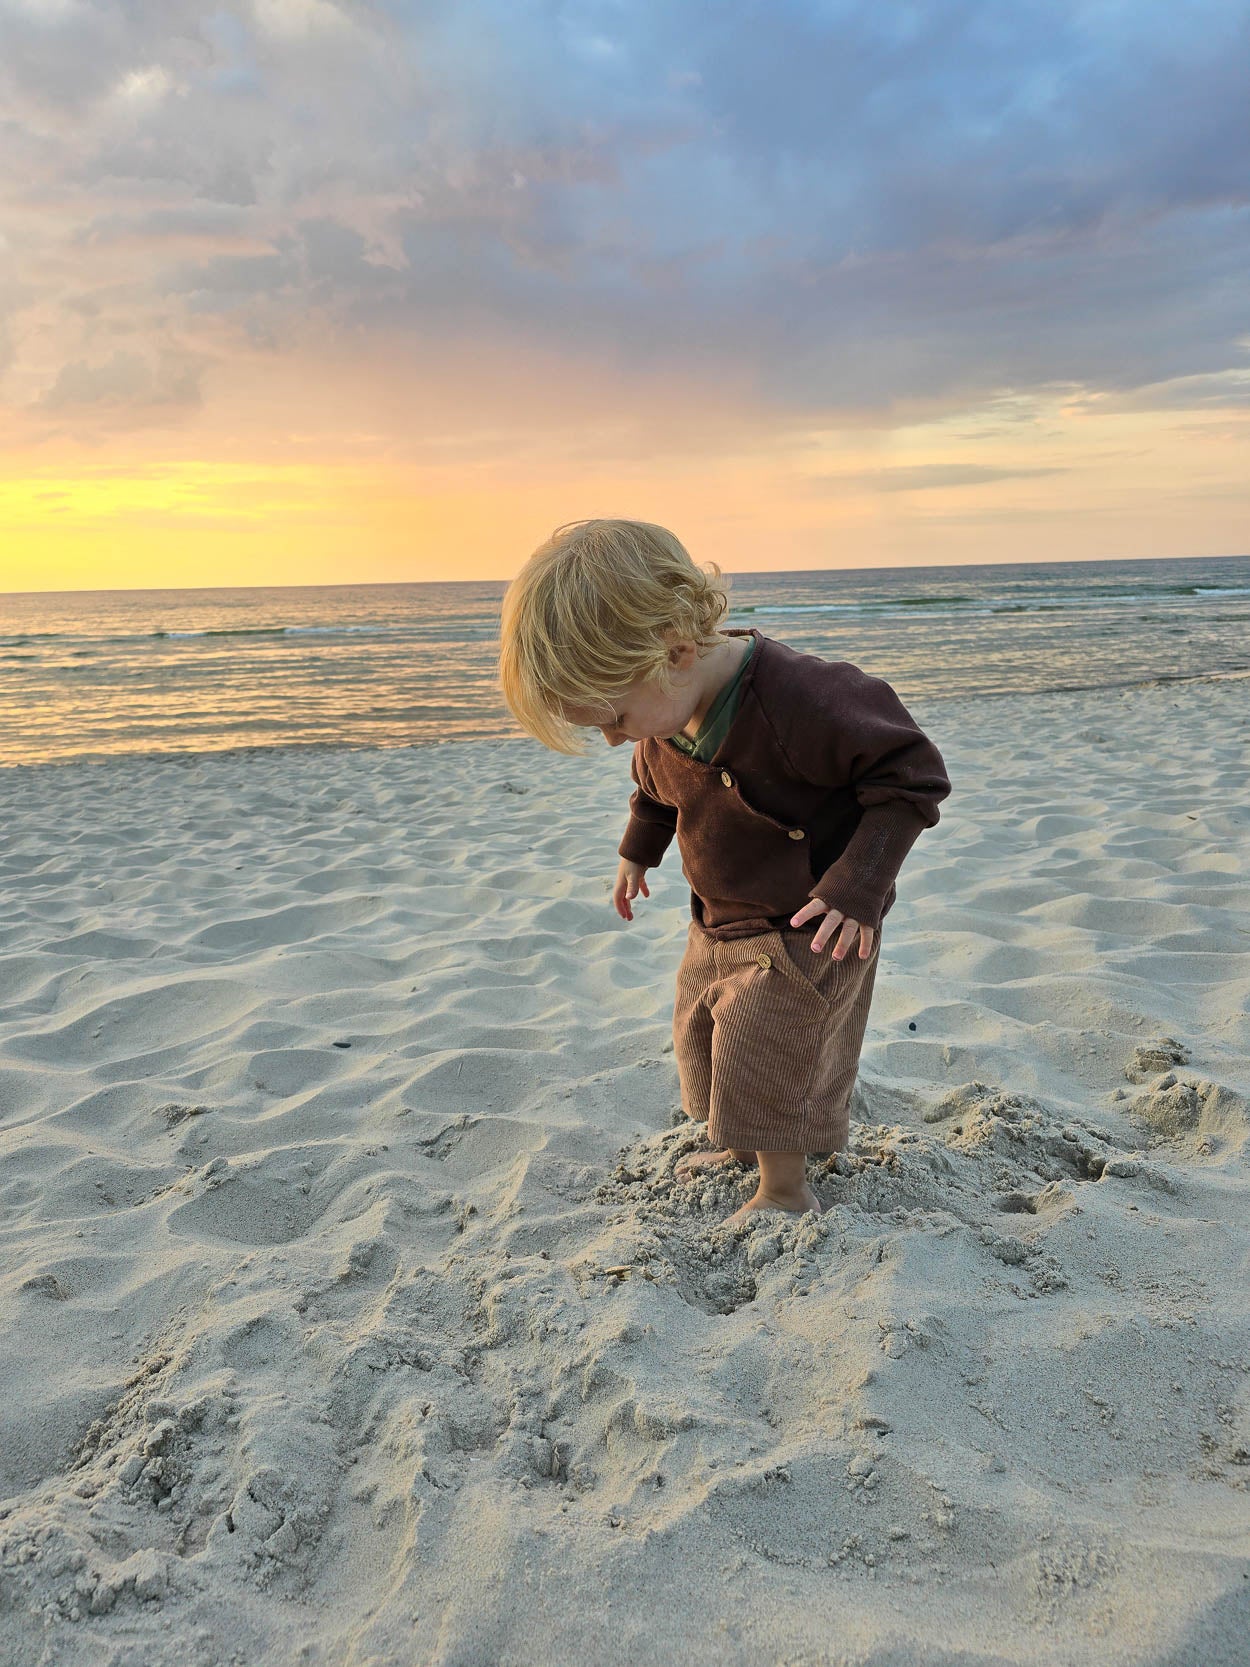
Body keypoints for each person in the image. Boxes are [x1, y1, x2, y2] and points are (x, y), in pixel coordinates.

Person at [498, 518, 951, 1224]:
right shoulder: (666, 714)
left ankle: (784, 1189)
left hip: (809, 925)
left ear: (676, 650)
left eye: (613, 717)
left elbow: (912, 776)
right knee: (706, 1040)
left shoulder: (803, 699)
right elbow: (654, 787)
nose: (615, 736)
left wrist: (858, 885)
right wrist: (635, 850)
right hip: (718, 920)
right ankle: (739, 1147)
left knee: (769, 1053)